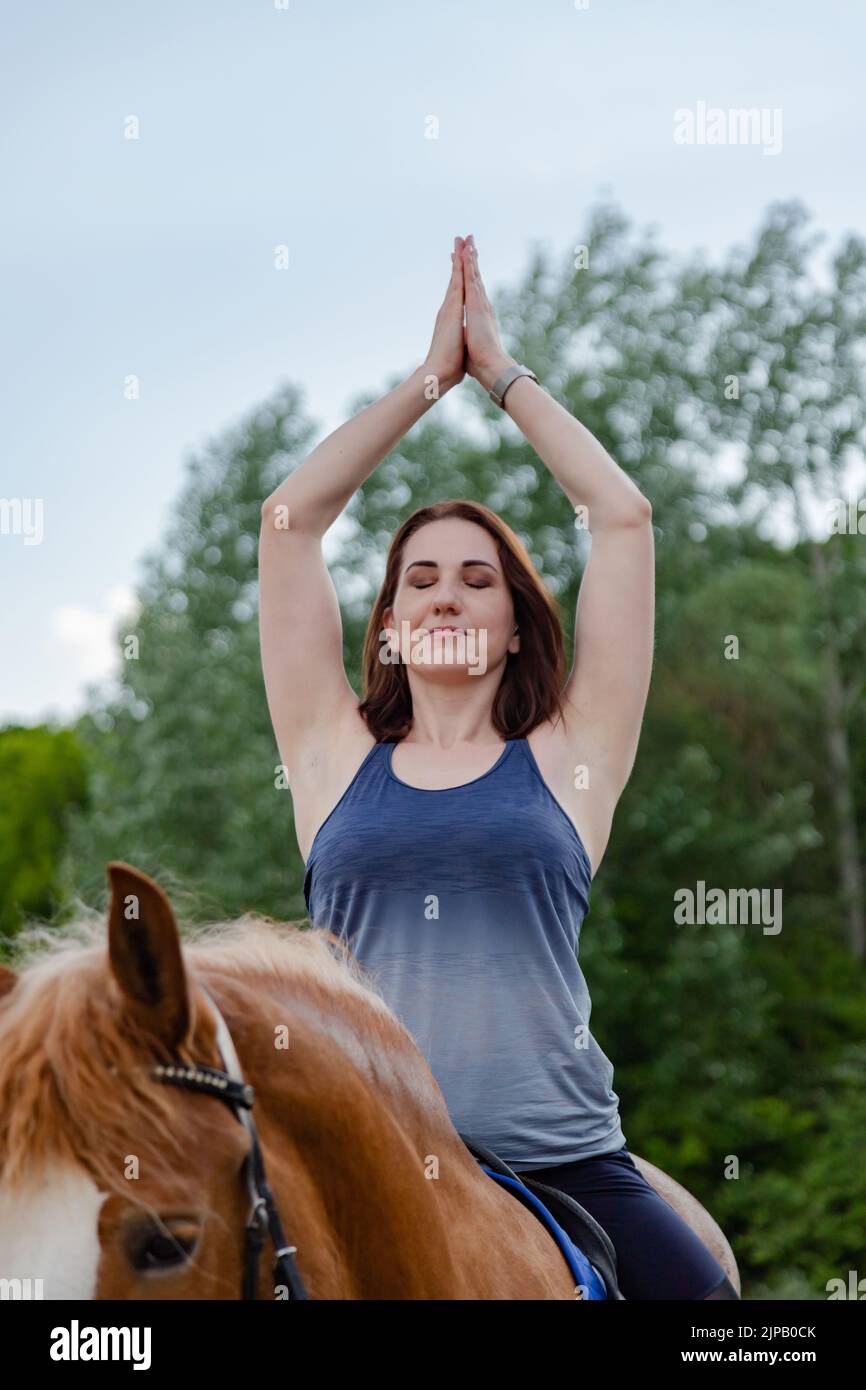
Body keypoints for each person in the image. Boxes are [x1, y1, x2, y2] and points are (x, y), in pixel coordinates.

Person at [258, 234, 738, 1300]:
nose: (442, 593)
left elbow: (621, 518)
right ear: (382, 627)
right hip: (365, 1159)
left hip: (563, 1159)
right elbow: (289, 524)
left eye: (477, 579)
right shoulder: (333, 758)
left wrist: (500, 374)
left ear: (517, 625)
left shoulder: (572, 759)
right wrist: (428, 382)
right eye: (417, 577)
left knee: (711, 1315)